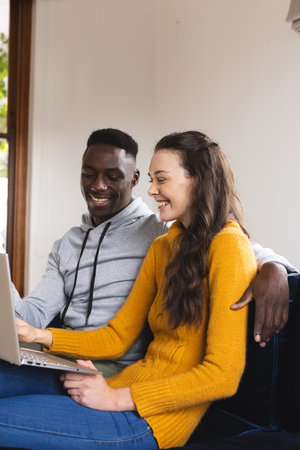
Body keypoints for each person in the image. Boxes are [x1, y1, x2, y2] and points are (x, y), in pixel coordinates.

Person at [0, 130, 267, 448]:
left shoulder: (228, 247)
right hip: (117, 386)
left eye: (162, 179)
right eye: (152, 179)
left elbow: (222, 376)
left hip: (151, 421)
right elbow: (117, 337)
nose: (152, 190)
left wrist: (114, 398)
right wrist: (38, 335)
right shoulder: (163, 246)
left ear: (198, 180)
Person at [10, 128, 293, 378]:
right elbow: (32, 314)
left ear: (132, 179)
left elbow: (233, 244)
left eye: (112, 176)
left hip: (117, 363)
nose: (98, 185)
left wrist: (275, 267)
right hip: (64, 348)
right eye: (89, 174)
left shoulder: (161, 232)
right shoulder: (67, 244)